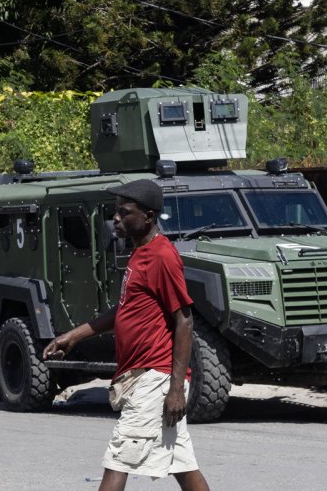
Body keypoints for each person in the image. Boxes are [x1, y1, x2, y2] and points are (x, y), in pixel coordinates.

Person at [44, 179, 210, 491]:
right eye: (115, 212)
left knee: (118, 458)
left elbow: (184, 321)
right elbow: (124, 311)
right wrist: (74, 336)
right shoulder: (139, 254)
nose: (116, 219)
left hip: (154, 380)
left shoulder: (162, 256)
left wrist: (175, 390)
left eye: (124, 212)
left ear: (148, 215)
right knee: (182, 464)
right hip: (146, 378)